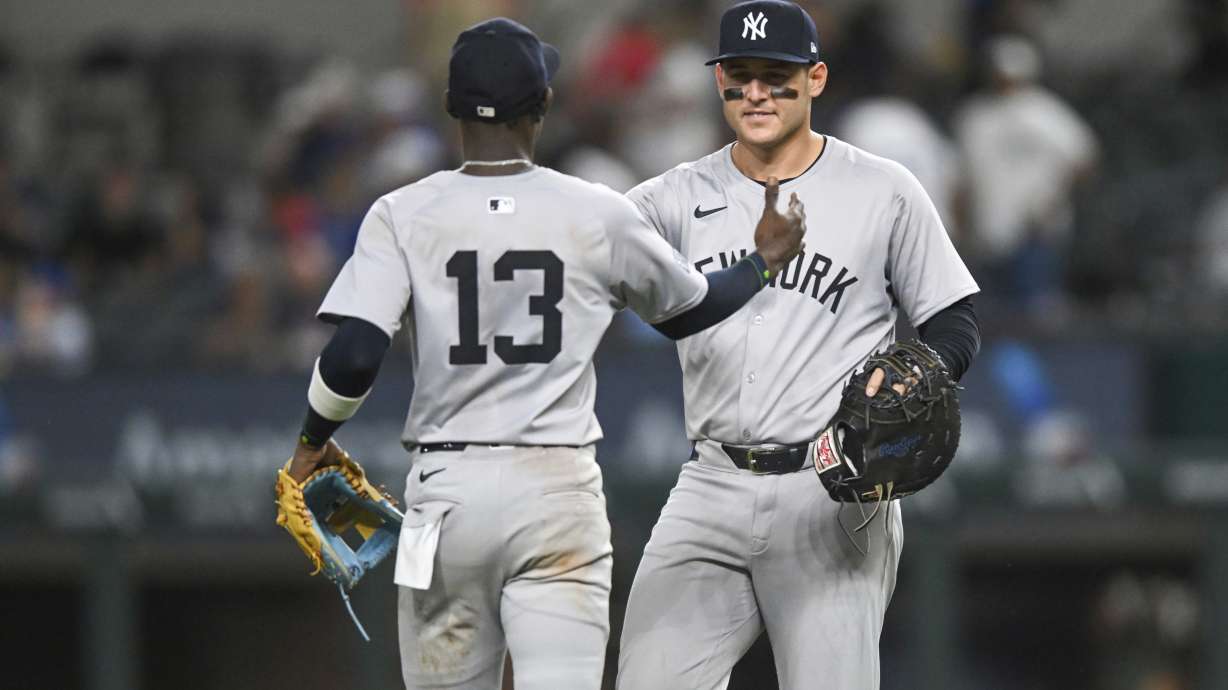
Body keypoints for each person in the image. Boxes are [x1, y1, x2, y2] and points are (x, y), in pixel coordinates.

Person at [279, 17, 805, 690]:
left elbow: (354, 355)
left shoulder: (401, 213)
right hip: (557, 495)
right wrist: (761, 262)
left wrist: (311, 441)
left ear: (452, 107)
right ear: (545, 105)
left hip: (445, 497)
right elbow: (693, 311)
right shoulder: (595, 210)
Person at [616, 2, 981, 689]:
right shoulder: (667, 198)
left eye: (776, 76)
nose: (756, 93)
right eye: (740, 75)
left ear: (815, 78)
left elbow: (953, 319)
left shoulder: (883, 189)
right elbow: (590, 258)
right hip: (709, 483)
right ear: (719, 79)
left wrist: (923, 373)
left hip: (832, 493)